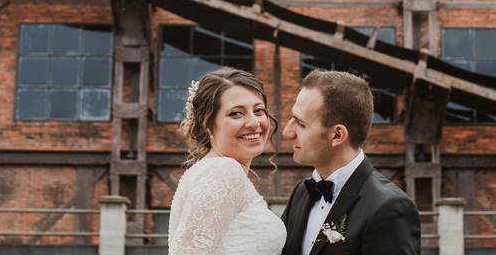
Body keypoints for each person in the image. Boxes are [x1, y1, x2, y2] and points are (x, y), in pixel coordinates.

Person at [280, 70, 421, 255]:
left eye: (300, 123)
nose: (287, 132)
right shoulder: (302, 192)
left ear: (337, 135)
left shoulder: (389, 208)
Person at [168, 67, 287, 255]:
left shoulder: (213, 170)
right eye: (236, 114)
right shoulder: (222, 171)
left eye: (258, 110)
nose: (254, 123)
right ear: (208, 125)